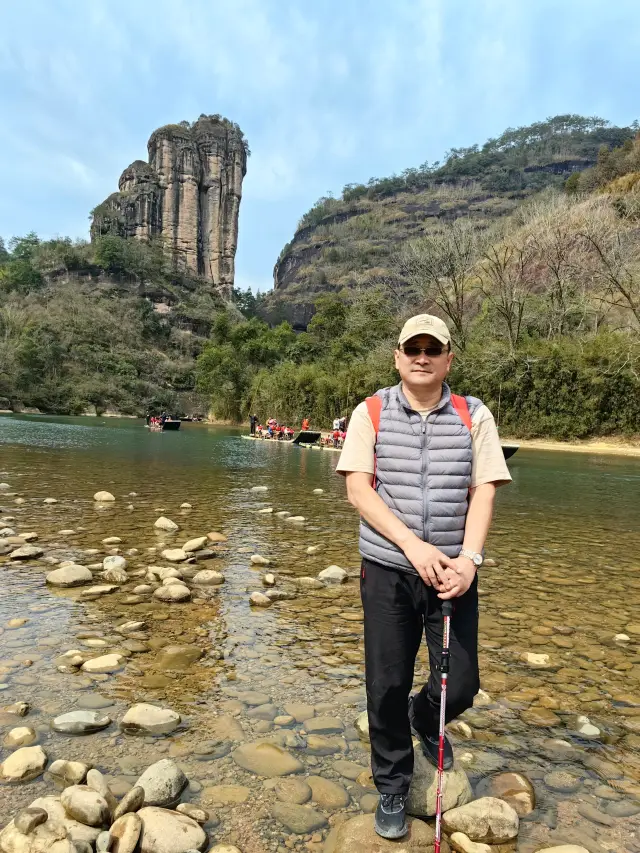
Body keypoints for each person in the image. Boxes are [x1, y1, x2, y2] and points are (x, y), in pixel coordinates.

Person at [336, 314, 511, 840]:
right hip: (389, 570)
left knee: (460, 684)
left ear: (448, 359)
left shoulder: (474, 414)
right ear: (397, 356)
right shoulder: (371, 411)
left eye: (432, 348)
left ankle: (424, 713)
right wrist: (412, 545)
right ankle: (392, 783)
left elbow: (485, 488)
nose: (421, 356)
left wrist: (469, 561)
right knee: (385, 683)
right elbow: (359, 490)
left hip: (452, 574)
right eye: (411, 347)